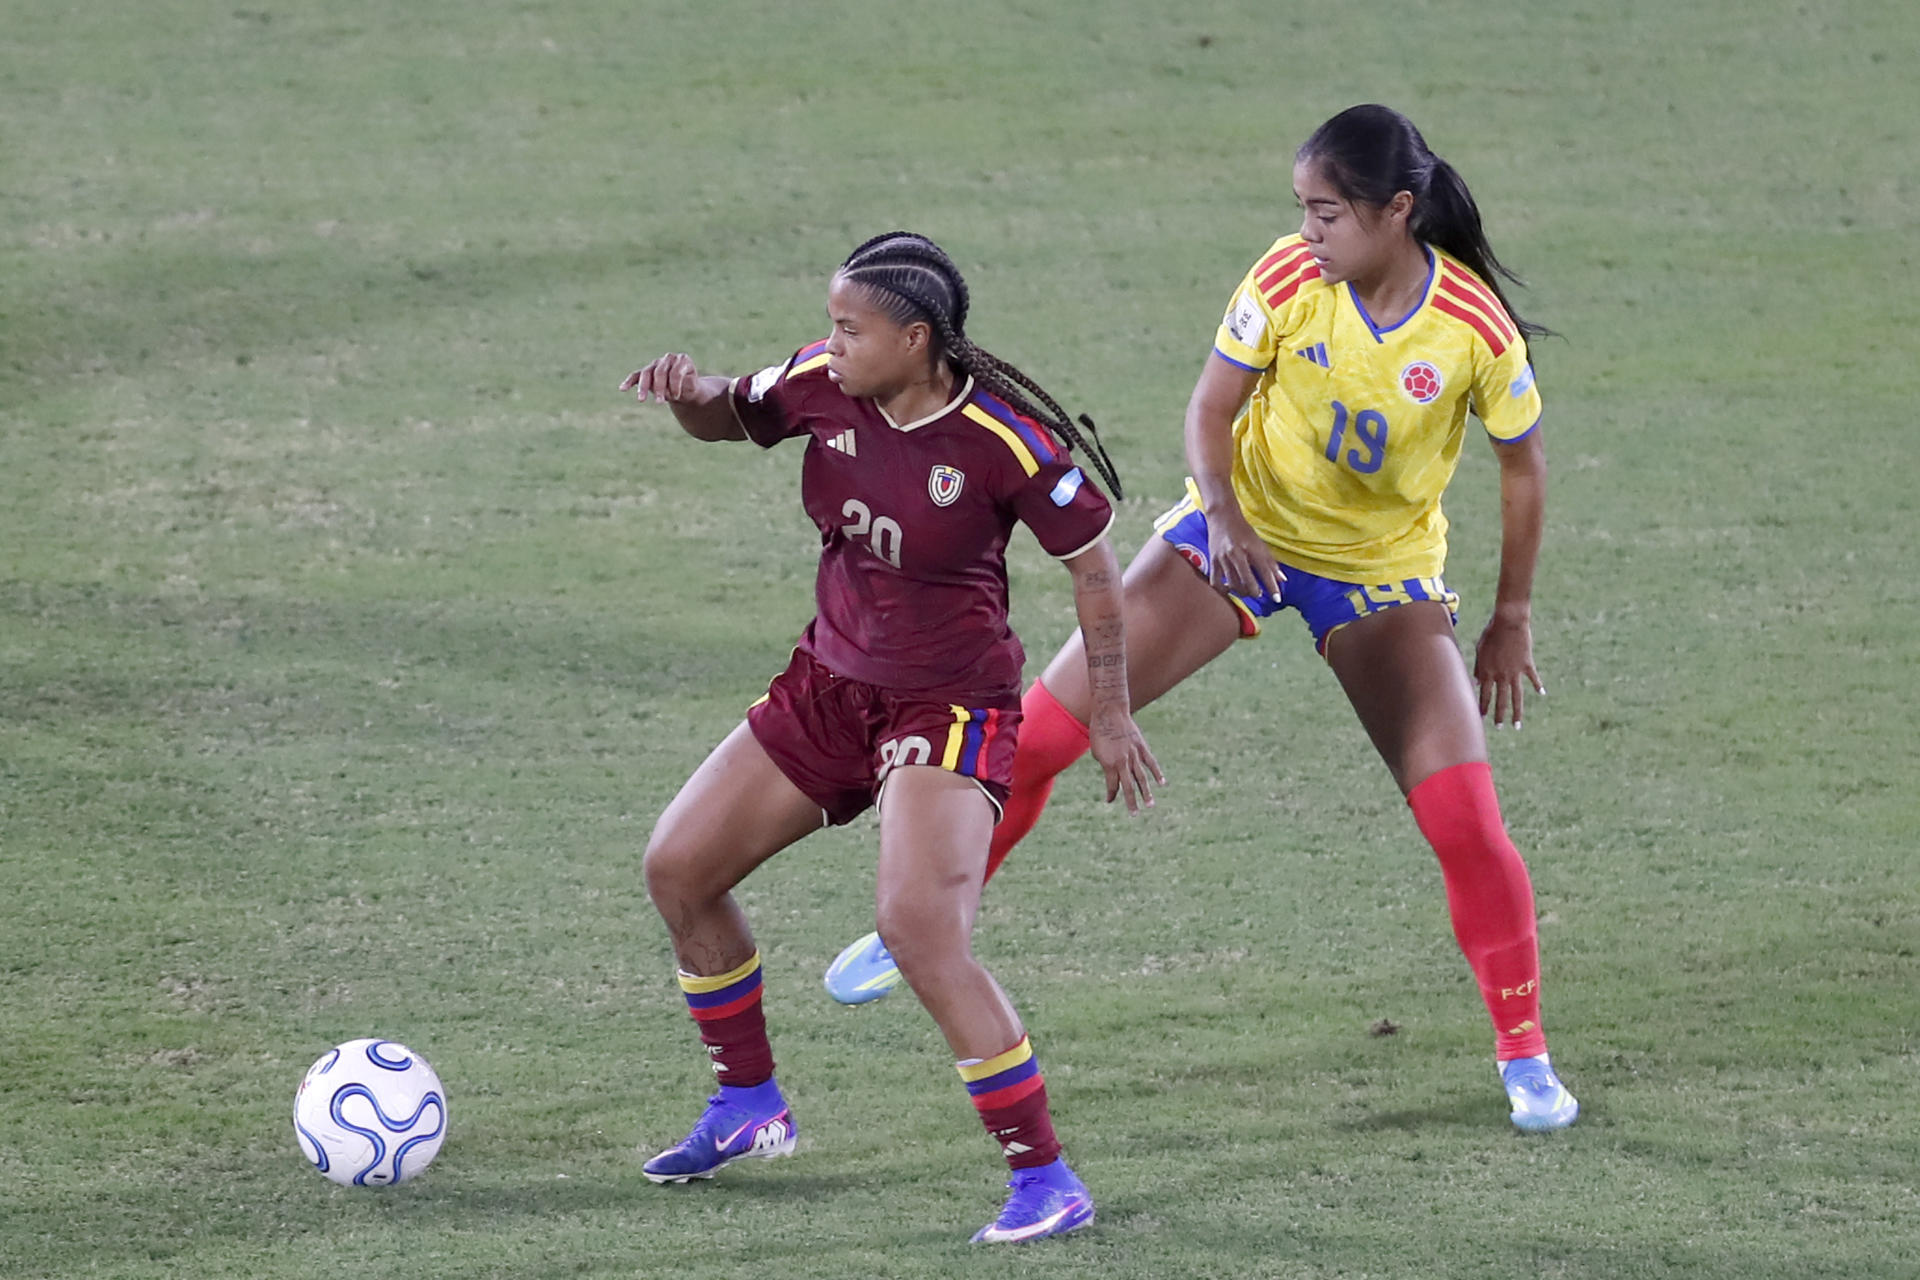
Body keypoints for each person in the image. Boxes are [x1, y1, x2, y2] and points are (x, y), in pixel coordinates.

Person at [823, 107, 1579, 1133]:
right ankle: (927, 928)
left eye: (1327, 213)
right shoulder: (1284, 281)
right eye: (1302, 210)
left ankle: (1524, 1054)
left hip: (1381, 577)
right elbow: (1210, 407)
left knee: (1464, 819)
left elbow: (1523, 464)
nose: (1306, 232)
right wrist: (1220, 515)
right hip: (1241, 536)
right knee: (1041, 733)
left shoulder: (1473, 328)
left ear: (1396, 211)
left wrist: (1511, 613)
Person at [620, 231, 1164, 1243]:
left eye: (850, 327)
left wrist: (1112, 706)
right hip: (830, 684)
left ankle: (1046, 1177)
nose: (831, 343)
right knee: (679, 867)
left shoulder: (1004, 442)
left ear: (916, 339)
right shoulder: (823, 384)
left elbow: (1093, 567)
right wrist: (691, 391)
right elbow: (731, 418)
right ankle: (750, 1105)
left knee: (919, 931)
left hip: (949, 705)